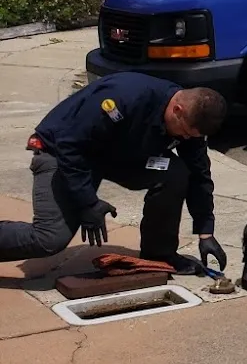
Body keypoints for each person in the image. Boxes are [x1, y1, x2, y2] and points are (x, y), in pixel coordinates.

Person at [0, 73, 229, 275]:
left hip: (116, 157)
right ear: (177, 110)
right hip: (61, 153)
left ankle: (159, 254)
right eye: (186, 133)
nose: (186, 139)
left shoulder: (190, 124)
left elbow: (199, 173)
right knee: (49, 239)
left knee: (176, 172)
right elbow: (70, 145)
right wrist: (87, 202)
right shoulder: (124, 97)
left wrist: (205, 231)